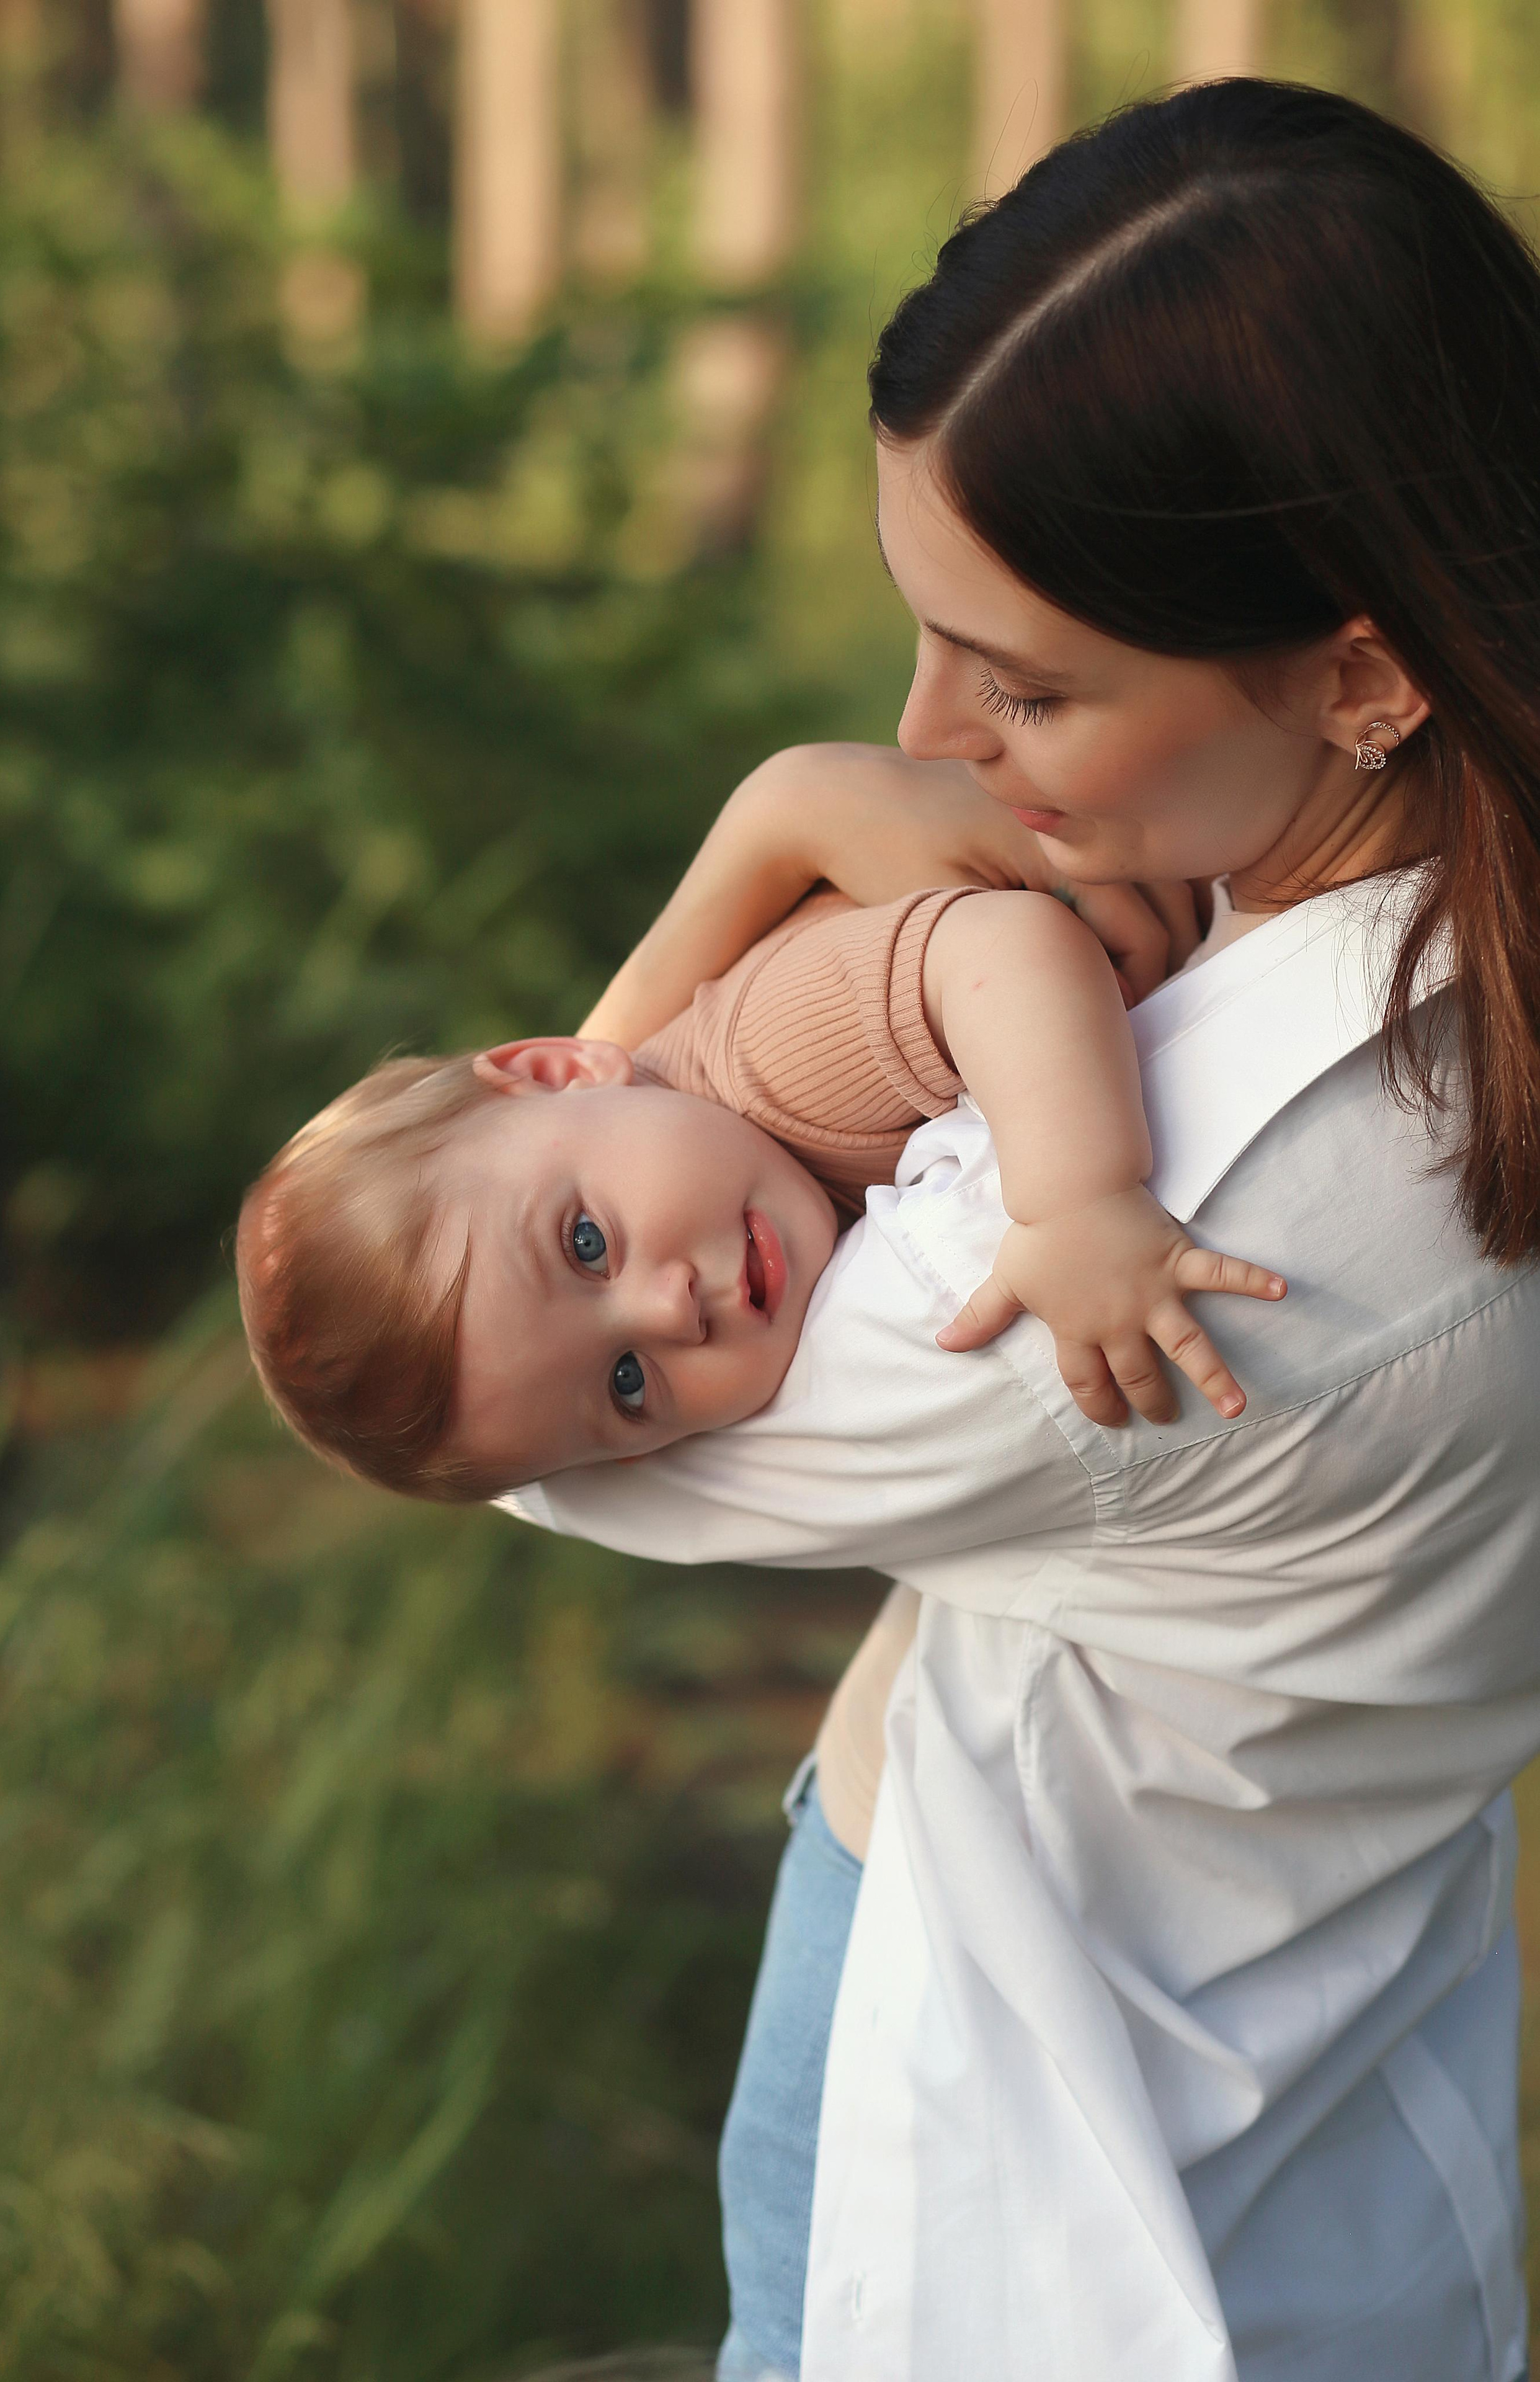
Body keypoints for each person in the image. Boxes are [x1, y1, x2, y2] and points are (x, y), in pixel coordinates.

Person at [510, 79, 1540, 2382]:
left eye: (1032, 681)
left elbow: (504, 1381)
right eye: (924, 636)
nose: (925, 736)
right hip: (1368, 2099)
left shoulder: (1192, 1210)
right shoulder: (1434, 965)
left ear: (1364, 672)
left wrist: (592, 1080)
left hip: (1031, 2154)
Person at [236, 758, 1282, 1498]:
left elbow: (1007, 949)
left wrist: (1075, 1203)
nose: (671, 1309)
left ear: (561, 1070)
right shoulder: (688, 1158)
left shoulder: (769, 1065)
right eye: (627, 1383)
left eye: (586, 1245)